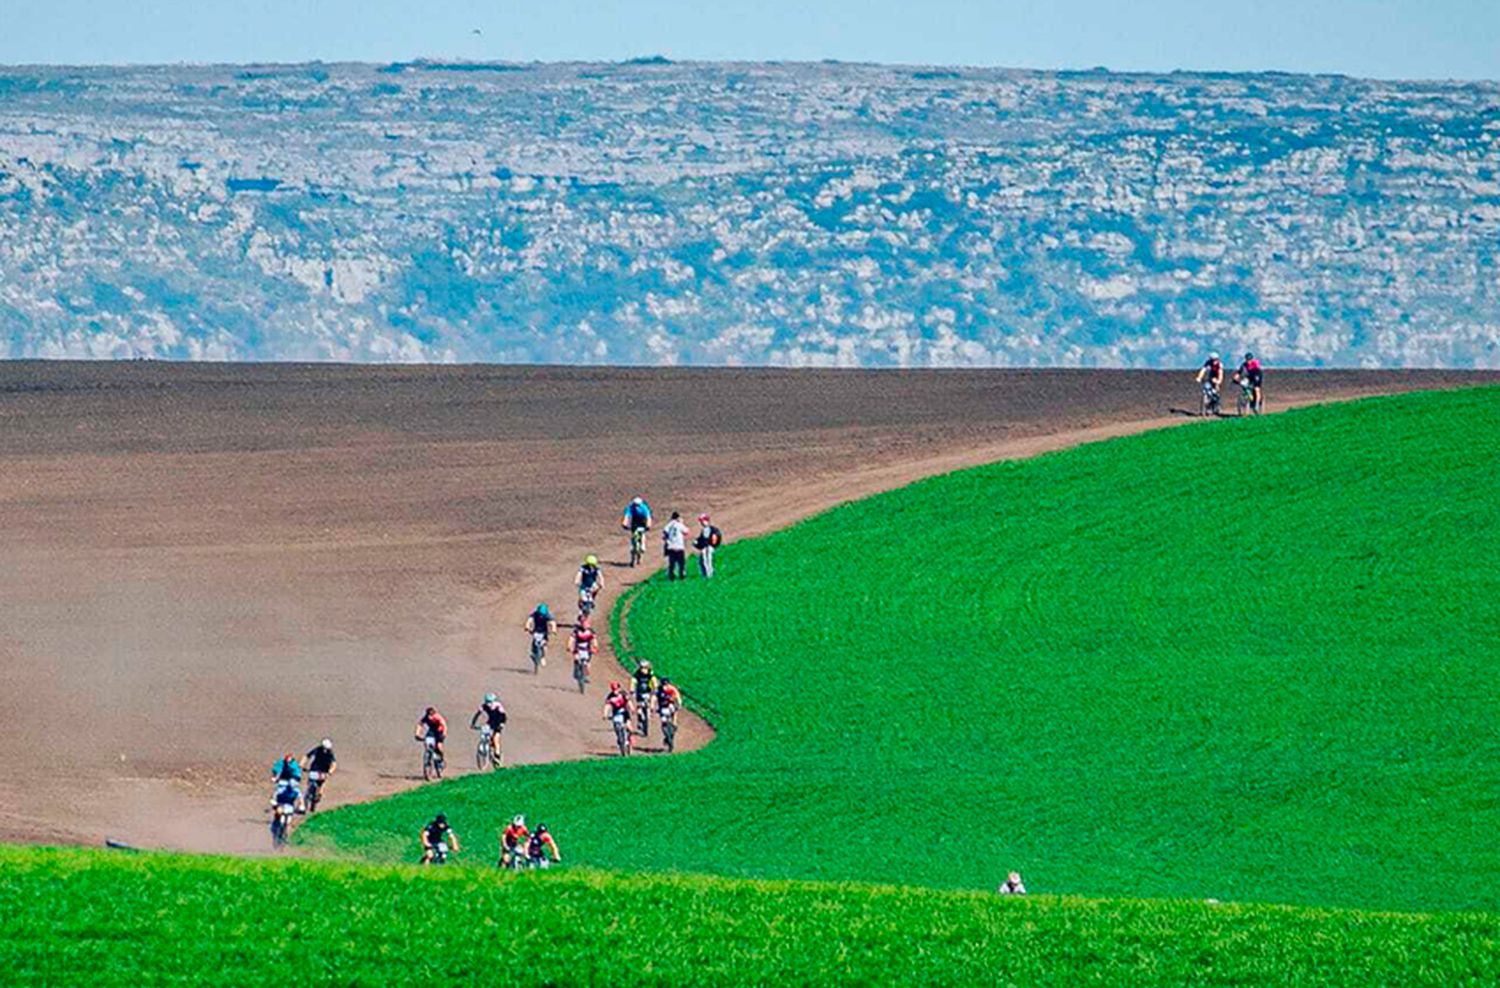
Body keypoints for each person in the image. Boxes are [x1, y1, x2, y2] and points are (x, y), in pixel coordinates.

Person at [470, 693, 507, 761]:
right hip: (490, 722)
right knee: (485, 733)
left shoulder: (498, 706)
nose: (488, 704)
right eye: (487, 702)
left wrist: (502, 724)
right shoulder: (484, 706)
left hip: (498, 723)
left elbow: (503, 716)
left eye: (490, 702)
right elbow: (477, 714)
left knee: (495, 739)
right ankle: (486, 747)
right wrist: (473, 723)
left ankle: (497, 756)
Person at [302, 738, 336, 804]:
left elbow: (334, 763)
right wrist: (302, 764)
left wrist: (331, 771)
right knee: (317, 781)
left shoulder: (324, 751)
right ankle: (315, 792)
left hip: (321, 770)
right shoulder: (321, 751)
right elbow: (307, 756)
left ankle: (319, 793)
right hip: (318, 769)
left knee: (322, 782)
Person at [693, 513, 722, 579]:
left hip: (708, 547)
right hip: (705, 548)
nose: (702, 523)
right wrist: (697, 543)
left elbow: (714, 538)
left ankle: (709, 574)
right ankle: (706, 574)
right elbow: (701, 540)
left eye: (703, 521)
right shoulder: (704, 530)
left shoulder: (712, 529)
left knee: (708, 560)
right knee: (703, 561)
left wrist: (712, 545)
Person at [657, 677, 682, 753]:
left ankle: (674, 724)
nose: (665, 687)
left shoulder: (672, 689)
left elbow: (677, 696)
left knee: (674, 710)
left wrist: (679, 704)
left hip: (670, 705)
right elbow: (655, 697)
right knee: (663, 722)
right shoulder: (659, 690)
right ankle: (667, 736)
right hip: (662, 707)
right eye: (664, 685)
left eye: (666, 685)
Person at [662, 511, 689, 580]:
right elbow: (686, 532)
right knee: (681, 563)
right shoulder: (679, 524)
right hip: (679, 546)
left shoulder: (669, 525)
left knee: (672, 563)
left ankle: (671, 576)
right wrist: (682, 523)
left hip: (671, 546)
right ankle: (682, 575)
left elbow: (664, 532)